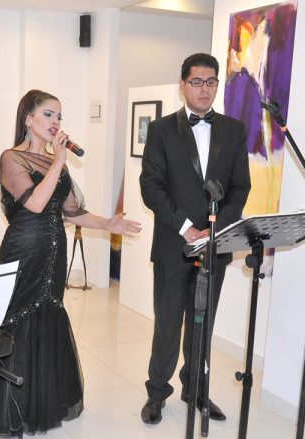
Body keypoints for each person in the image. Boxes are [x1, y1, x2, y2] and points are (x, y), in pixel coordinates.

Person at [0, 89, 141, 437]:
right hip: (24, 249)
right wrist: (58, 161)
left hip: (54, 250)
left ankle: (41, 402)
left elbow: (72, 212)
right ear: (28, 118)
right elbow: (34, 204)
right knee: (16, 318)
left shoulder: (56, 162)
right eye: (48, 114)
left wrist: (108, 224)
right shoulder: (12, 158)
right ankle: (5, 408)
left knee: (49, 313)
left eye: (59, 116)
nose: (55, 122)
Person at [139, 53, 251, 424]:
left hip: (215, 246)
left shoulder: (234, 130)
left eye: (211, 81)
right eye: (197, 81)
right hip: (174, 245)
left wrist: (216, 230)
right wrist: (187, 227)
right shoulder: (161, 130)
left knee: (203, 325)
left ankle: (196, 390)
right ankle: (157, 393)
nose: (205, 89)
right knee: (168, 324)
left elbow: (240, 186)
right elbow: (151, 187)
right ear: (182, 85)